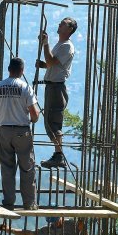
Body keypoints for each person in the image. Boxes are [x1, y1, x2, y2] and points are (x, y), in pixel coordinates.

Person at [0, 57, 41, 210]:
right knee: (27, 167)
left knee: (7, 167)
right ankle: (29, 203)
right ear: (22, 71)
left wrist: (3, 109)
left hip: (3, 130)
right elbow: (34, 114)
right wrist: (34, 119)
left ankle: (8, 202)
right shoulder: (25, 87)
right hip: (21, 131)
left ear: (9, 69)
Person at [36, 17, 77, 168]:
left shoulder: (66, 46)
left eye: (63, 24)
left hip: (56, 87)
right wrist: (43, 65)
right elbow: (51, 63)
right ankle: (57, 154)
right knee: (50, 121)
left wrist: (45, 44)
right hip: (52, 87)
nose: (59, 24)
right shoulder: (61, 45)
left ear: (70, 29)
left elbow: (51, 61)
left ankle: (59, 155)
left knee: (53, 122)